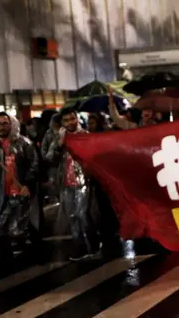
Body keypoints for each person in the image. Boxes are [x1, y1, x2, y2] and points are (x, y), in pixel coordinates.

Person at [46, 107, 100, 260]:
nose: (70, 123)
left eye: (72, 119)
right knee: (72, 216)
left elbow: (95, 157)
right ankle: (80, 247)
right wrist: (59, 144)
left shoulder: (85, 136)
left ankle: (93, 244)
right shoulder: (59, 138)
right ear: (62, 122)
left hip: (84, 182)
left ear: (77, 119)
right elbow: (50, 158)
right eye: (66, 120)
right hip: (66, 183)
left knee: (83, 214)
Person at [0, 112, 40, 260]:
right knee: (0, 226)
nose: (2, 127)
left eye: (5, 123)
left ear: (11, 124)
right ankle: (5, 257)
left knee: (22, 225)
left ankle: (34, 253)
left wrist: (28, 184)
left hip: (19, 191)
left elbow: (34, 165)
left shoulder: (23, 143)